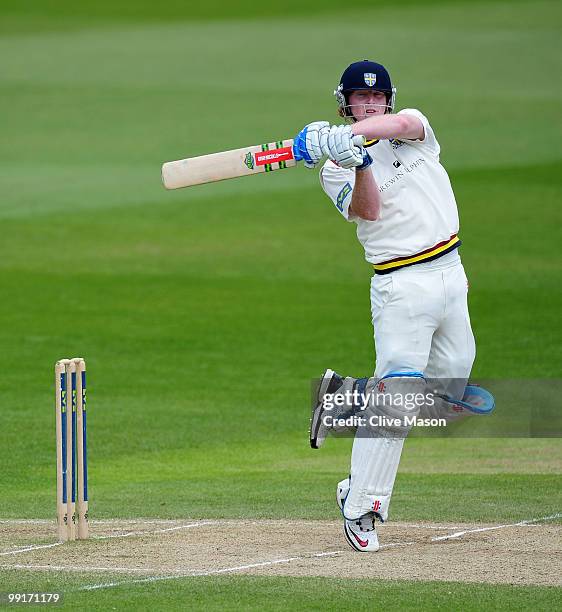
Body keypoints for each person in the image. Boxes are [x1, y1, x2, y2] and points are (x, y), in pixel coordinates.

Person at [293, 60, 492, 552]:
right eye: (361, 100)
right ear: (345, 103)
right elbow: (368, 211)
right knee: (397, 402)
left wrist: (355, 135)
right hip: (400, 285)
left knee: (449, 394)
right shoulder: (334, 167)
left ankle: (345, 398)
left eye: (378, 98)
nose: (372, 104)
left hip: (451, 272)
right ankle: (363, 506)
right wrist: (356, 159)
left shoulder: (413, 131)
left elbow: (402, 124)